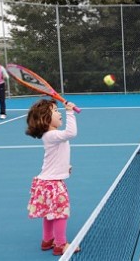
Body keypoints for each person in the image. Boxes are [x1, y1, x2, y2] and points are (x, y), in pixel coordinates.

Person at [26, 99, 80, 256]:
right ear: (45, 118)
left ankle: (47, 240)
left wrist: (64, 168)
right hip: (52, 185)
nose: (59, 113)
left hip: (47, 182)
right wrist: (70, 111)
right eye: (55, 111)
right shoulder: (52, 135)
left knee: (50, 213)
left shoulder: (51, 136)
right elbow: (71, 133)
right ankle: (61, 245)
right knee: (60, 214)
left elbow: (56, 158)